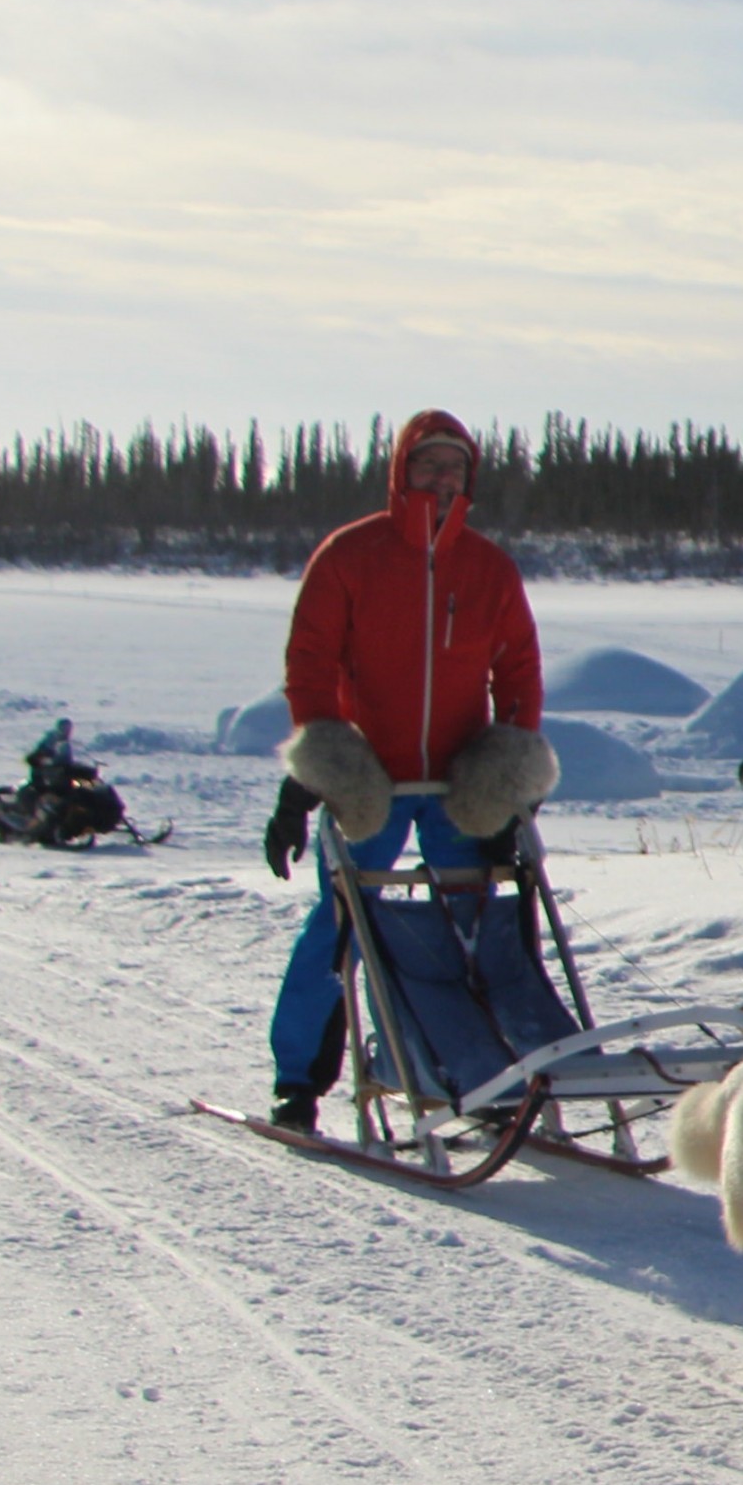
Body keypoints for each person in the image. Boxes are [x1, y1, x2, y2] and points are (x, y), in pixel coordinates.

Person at [261, 410, 553, 1130]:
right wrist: (314, 769)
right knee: (339, 928)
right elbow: (310, 664)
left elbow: (518, 671)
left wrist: (508, 773)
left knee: (482, 932)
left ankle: (490, 1074)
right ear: (402, 472)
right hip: (373, 787)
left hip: (460, 792)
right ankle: (298, 1080)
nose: (442, 477)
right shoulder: (350, 555)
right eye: (429, 464)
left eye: (455, 466)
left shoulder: (487, 566)